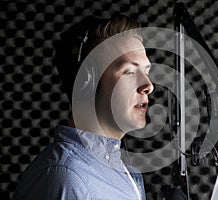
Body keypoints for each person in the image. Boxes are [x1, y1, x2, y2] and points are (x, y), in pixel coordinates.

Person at [13, 13, 153, 200]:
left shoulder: (114, 170)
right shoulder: (66, 177)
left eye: (146, 71)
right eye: (129, 72)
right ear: (87, 82)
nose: (149, 86)